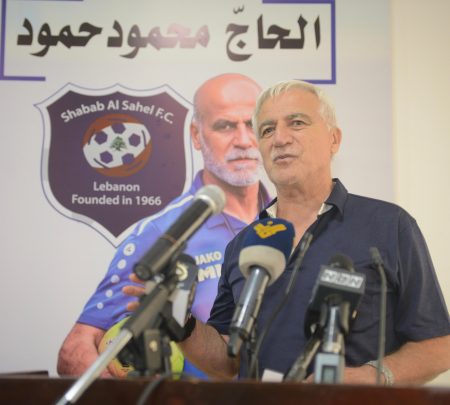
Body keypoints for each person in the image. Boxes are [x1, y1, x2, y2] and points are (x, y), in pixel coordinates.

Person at [178, 79, 450, 384]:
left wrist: (370, 377)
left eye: (296, 123)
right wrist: (181, 321)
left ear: (334, 139)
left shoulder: (389, 225)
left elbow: (439, 345)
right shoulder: (244, 244)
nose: (279, 139)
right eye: (267, 130)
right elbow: (227, 361)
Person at [57, 73, 271, 378]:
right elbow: (75, 350)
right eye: (225, 126)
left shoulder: (289, 221)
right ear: (196, 135)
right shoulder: (163, 233)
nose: (243, 140)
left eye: (253, 124)